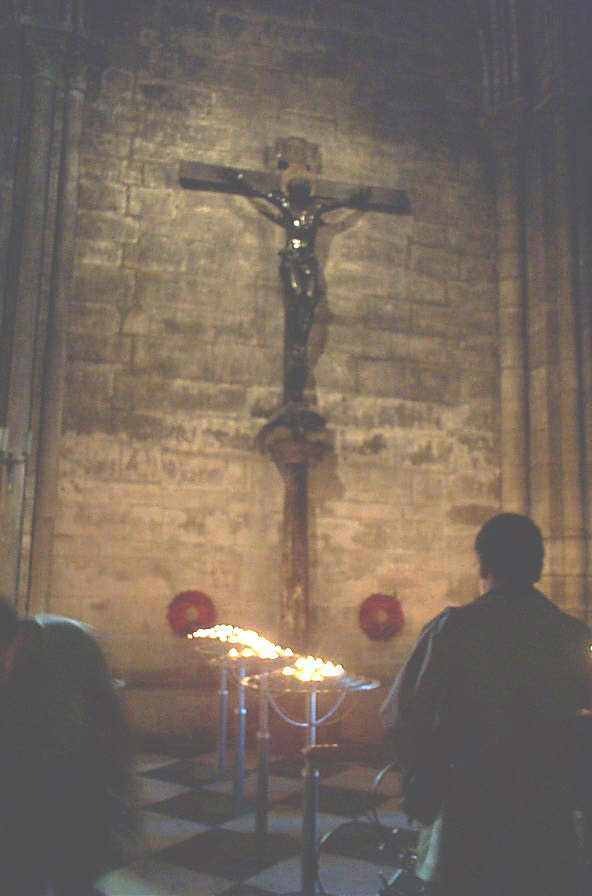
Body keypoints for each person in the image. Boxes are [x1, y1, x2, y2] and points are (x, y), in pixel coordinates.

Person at [380, 512, 592, 896]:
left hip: (467, 818)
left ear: (483, 563)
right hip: (545, 821)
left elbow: (402, 716)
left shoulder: (452, 630)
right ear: (538, 566)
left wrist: (422, 779)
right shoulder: (573, 636)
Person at [0, 600, 133, 896]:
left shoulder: (65, 649)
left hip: (74, 796)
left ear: (15, 639)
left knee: (69, 875)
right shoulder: (23, 654)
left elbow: (64, 745)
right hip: (37, 798)